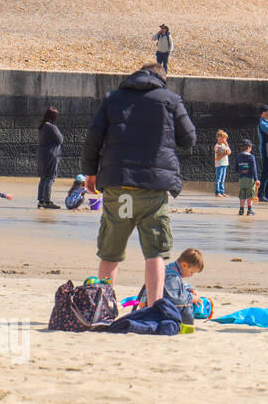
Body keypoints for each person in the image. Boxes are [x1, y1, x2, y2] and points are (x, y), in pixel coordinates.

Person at [81, 63, 197, 308]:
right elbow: (189, 139)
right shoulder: (169, 99)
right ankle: (155, 307)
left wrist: (89, 173)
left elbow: (93, 138)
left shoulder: (114, 99)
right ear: (162, 79)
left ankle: (103, 307)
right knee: (154, 253)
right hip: (152, 189)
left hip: (119, 186)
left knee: (111, 253)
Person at [135, 248, 205, 325]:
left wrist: (189, 288)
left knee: (185, 299)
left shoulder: (171, 269)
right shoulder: (171, 276)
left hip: (149, 301)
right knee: (187, 314)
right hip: (149, 305)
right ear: (184, 265)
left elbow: (179, 283)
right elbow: (176, 298)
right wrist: (191, 298)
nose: (191, 275)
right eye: (191, 272)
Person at [36, 106, 63, 209]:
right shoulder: (52, 127)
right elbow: (60, 139)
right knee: (50, 178)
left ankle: (41, 201)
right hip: (52, 155)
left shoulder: (41, 127)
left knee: (43, 177)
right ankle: (47, 202)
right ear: (54, 117)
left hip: (42, 155)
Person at [234, 139, 259, 216]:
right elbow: (253, 169)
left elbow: (235, 168)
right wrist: (256, 179)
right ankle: (249, 210)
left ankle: (241, 210)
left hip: (241, 179)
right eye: (251, 147)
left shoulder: (238, 156)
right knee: (250, 195)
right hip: (250, 179)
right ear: (248, 147)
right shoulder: (251, 157)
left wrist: (241, 172)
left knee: (242, 194)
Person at [256, 104, 268, 202]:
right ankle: (261, 194)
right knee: (266, 173)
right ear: (263, 113)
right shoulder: (263, 124)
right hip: (267, 150)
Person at [213, 129, 231, 197]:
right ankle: (217, 192)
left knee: (223, 179)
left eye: (225, 138)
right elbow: (218, 157)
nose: (224, 139)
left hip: (225, 163)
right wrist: (225, 154)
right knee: (218, 178)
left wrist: (226, 143)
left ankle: (222, 191)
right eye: (223, 137)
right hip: (219, 164)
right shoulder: (217, 146)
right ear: (218, 137)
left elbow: (229, 151)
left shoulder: (224, 144)